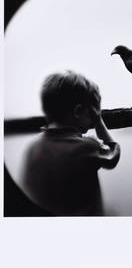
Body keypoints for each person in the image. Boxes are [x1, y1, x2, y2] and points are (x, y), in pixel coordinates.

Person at [19, 71, 120, 216]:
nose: (92, 120)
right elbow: (113, 154)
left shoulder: (32, 148)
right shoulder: (86, 147)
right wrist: (99, 122)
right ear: (78, 111)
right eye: (91, 114)